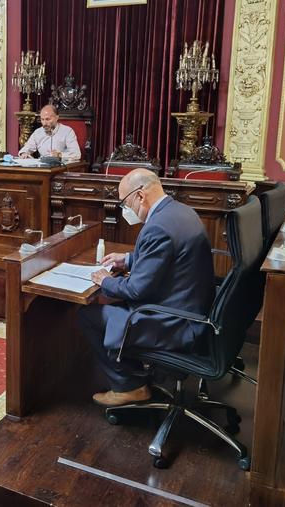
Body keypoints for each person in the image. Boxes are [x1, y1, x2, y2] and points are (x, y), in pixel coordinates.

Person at [77, 168, 215, 406]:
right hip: (193, 308)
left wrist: (105, 281)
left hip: (173, 322)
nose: (124, 210)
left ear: (140, 196)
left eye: (124, 202)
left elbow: (136, 290)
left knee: (88, 315)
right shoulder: (181, 211)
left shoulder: (157, 227)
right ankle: (135, 372)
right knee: (111, 305)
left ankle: (129, 386)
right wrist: (128, 259)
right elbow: (170, 258)